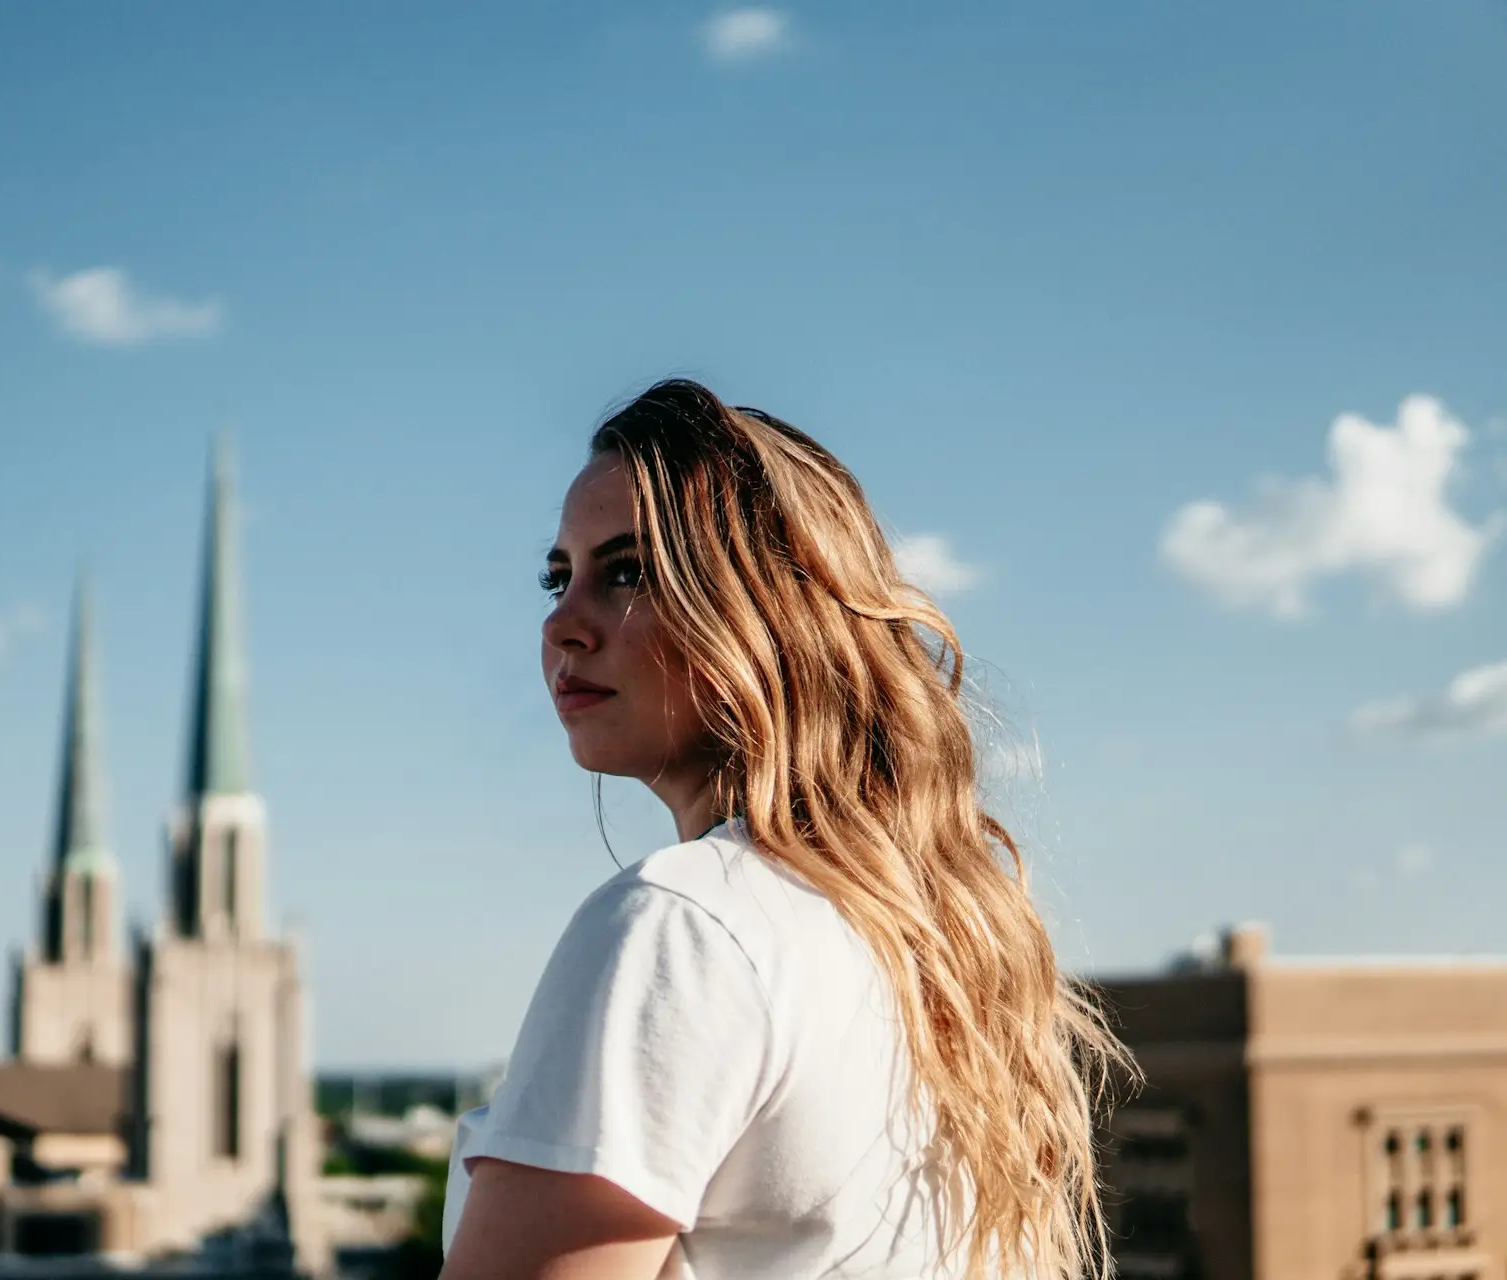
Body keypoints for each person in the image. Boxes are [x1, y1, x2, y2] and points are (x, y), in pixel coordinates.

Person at [437, 380, 1126, 1280]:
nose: (562, 625)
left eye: (629, 571)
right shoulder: (928, 940)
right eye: (557, 576)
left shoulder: (680, 925)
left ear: (766, 613)